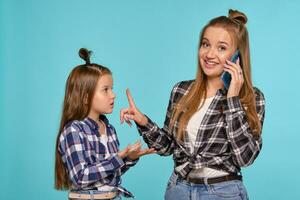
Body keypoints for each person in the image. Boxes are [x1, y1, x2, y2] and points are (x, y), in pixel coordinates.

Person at [120, 9, 265, 200]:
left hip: (222, 192)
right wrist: (142, 121)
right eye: (205, 44)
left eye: (221, 48)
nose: (209, 54)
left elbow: (244, 158)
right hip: (178, 189)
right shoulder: (181, 91)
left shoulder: (251, 98)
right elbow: (167, 148)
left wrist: (232, 99)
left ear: (237, 56)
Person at [54, 48, 155, 200]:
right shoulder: (74, 131)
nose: (113, 95)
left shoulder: (109, 130)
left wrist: (129, 158)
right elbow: (81, 176)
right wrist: (119, 158)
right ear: (86, 97)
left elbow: (109, 175)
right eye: (105, 90)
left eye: (112, 89)